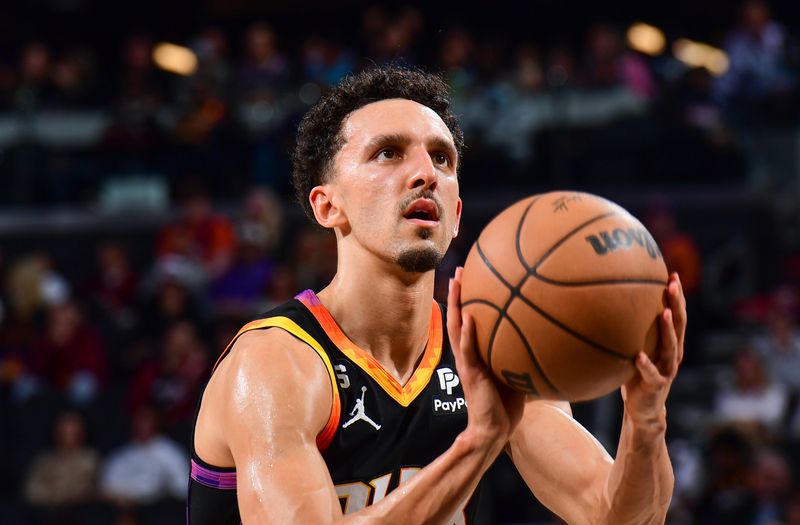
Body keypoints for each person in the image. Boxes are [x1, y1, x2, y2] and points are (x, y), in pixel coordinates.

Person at [188, 66, 686, 524]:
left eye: (442, 158)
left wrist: (646, 418)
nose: (426, 173)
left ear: (456, 214)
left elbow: (617, 517)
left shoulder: (493, 347)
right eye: (389, 152)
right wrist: (477, 444)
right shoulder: (275, 362)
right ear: (327, 206)